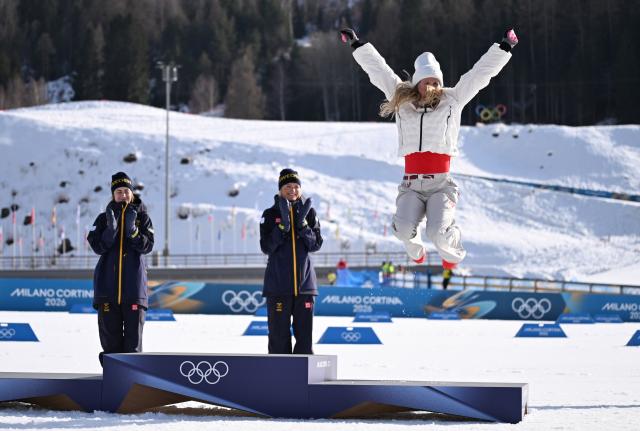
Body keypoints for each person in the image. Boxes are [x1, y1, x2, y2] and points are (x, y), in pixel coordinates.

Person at [341, 27, 518, 272]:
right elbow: (379, 71)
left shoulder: (453, 100)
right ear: (418, 83)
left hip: (440, 186)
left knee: (438, 232)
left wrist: (503, 48)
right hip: (411, 185)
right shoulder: (402, 101)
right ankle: (416, 251)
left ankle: (452, 253)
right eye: (428, 82)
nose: (433, 86)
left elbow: (479, 75)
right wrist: (357, 45)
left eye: (437, 82)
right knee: (402, 228)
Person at [87, 172, 154, 365]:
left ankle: (132, 384)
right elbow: (97, 247)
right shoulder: (102, 219)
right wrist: (110, 230)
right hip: (107, 291)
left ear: (132, 193)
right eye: (118, 192)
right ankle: (111, 381)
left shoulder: (143, 218)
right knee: (110, 344)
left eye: (126, 191)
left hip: (134, 292)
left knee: (133, 346)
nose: (123, 195)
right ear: (113, 195)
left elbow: (147, 246)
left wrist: (132, 231)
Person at [259, 168, 323, 354]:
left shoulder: (309, 213)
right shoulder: (270, 214)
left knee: (304, 339)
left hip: (305, 286)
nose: (292, 190)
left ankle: (303, 379)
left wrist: (303, 226)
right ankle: (278, 378)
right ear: (280, 189)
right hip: (278, 286)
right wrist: (282, 227)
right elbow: (266, 247)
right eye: (288, 186)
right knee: (279, 338)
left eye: (296, 186)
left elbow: (316, 245)